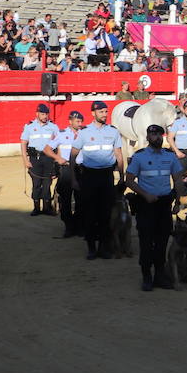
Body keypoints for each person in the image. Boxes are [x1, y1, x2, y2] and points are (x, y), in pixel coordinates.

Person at [124, 124, 184, 291]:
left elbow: (178, 179)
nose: (156, 137)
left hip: (164, 204)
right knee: (146, 242)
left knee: (162, 242)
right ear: (148, 137)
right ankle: (146, 276)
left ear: (163, 136)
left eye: (159, 134)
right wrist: (145, 194)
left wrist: (178, 202)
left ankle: (159, 276)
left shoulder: (170, 156)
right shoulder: (139, 157)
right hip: (146, 205)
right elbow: (128, 180)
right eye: (153, 135)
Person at [71, 100, 125, 260]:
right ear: (93, 113)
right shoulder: (84, 132)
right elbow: (73, 155)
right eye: (101, 112)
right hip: (89, 177)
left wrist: (121, 176)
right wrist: (74, 178)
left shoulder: (113, 132)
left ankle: (103, 247)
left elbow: (119, 155)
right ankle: (91, 248)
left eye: (106, 111)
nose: (104, 114)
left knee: (106, 214)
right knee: (90, 213)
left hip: (107, 177)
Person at [42, 109, 84, 238]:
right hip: (66, 169)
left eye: (81, 121)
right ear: (70, 121)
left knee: (81, 200)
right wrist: (58, 158)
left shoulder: (85, 133)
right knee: (65, 200)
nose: (80, 123)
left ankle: (79, 226)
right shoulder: (61, 134)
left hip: (81, 169)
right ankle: (69, 226)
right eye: (77, 121)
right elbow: (47, 149)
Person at [20, 103, 59, 216]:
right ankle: (36, 208)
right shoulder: (29, 127)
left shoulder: (53, 127)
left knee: (47, 183)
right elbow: (23, 143)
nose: (45, 116)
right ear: (37, 114)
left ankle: (47, 208)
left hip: (49, 159)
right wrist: (25, 160)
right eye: (42, 114)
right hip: (35, 159)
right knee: (36, 183)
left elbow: (59, 144)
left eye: (46, 114)